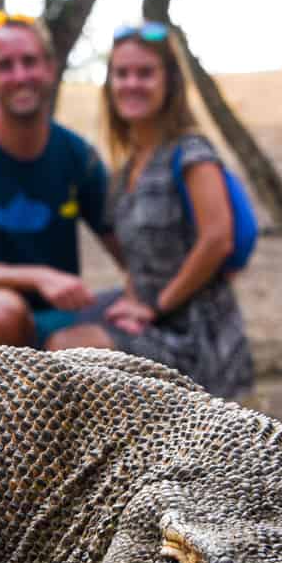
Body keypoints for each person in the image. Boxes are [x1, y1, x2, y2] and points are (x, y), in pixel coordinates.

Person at [45, 21, 254, 398]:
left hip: (195, 333)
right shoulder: (130, 167)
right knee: (54, 339)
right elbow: (138, 257)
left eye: (145, 73)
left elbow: (217, 240)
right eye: (121, 74)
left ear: (169, 82)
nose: (131, 84)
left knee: (72, 350)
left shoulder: (192, 154)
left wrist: (158, 305)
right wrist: (131, 297)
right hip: (150, 317)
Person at [0, 11, 115, 348]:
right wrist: (39, 277)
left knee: (94, 345)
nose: (20, 75)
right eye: (5, 66)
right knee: (3, 313)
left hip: (56, 316)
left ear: (50, 68)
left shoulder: (78, 156)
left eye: (29, 61)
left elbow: (125, 246)